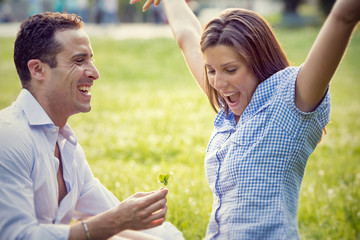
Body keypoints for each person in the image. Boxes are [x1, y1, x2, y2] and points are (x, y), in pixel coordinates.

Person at [131, 0, 360, 239]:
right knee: (118, 232)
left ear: (259, 61)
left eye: (231, 70)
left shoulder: (290, 102)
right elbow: (187, 35)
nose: (218, 83)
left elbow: (341, 19)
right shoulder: (229, 109)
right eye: (210, 70)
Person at [0, 12, 183, 240]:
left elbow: (113, 216)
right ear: (38, 70)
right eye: (79, 61)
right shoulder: (8, 137)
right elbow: (15, 236)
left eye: (90, 60)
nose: (94, 73)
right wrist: (115, 220)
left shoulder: (67, 145)